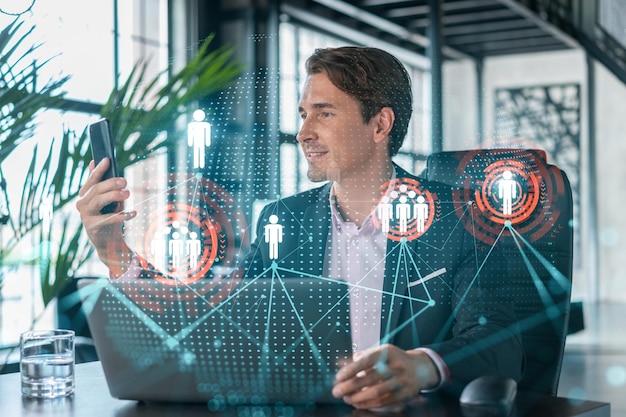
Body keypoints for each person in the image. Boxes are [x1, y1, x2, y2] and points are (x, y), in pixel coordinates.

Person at [77, 46, 524, 410]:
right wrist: (116, 251)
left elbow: (502, 340)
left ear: (380, 125)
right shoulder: (282, 219)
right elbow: (217, 326)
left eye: (325, 113)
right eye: (303, 113)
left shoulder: (460, 217)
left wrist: (420, 366)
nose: (304, 131)